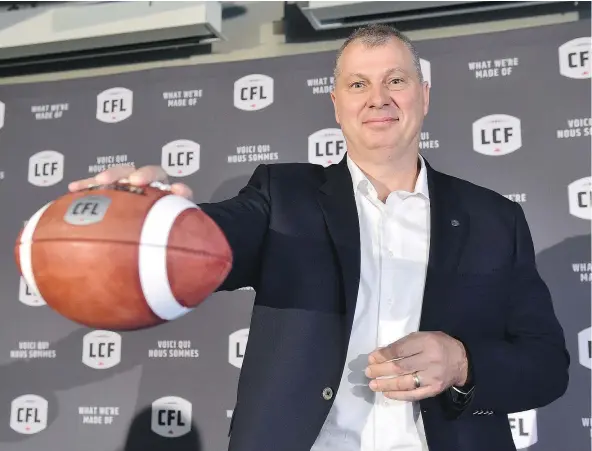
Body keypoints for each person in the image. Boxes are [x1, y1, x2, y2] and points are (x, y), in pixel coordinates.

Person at [69, 24, 569, 451]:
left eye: (396, 79)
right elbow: (209, 239)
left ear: (424, 93)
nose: (379, 98)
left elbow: (546, 366)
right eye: (358, 84)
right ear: (336, 104)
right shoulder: (282, 196)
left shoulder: (494, 218)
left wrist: (462, 362)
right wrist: (154, 215)